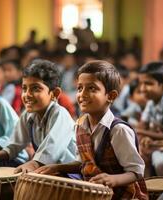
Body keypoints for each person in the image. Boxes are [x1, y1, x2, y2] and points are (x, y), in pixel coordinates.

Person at [35, 60, 148, 199]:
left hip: (123, 195)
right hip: (93, 192)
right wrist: (57, 167)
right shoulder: (80, 125)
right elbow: (83, 164)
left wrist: (113, 180)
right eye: (80, 88)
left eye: (92, 88)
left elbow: (136, 172)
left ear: (111, 96)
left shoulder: (118, 130)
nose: (82, 94)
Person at [0, 59, 76, 173]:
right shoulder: (28, 115)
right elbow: (15, 144)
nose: (27, 95)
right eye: (25, 88)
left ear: (54, 94)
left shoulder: (60, 114)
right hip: (45, 169)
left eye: (35, 88)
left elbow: (52, 147)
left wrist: (34, 164)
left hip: (68, 173)